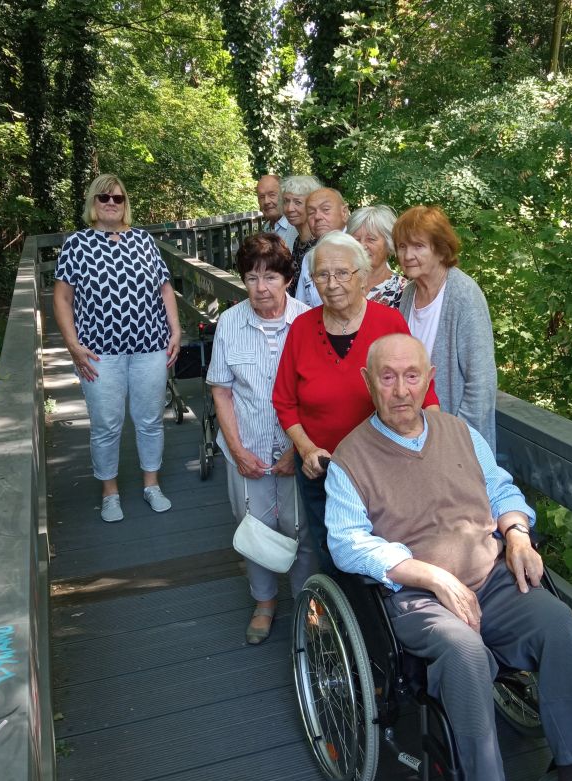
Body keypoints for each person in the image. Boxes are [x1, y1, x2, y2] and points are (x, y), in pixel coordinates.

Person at [325, 333, 572, 781]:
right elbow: (347, 542)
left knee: (557, 622)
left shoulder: (459, 432)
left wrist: (517, 533)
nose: (400, 389)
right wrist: (430, 575)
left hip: (492, 579)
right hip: (419, 597)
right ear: (367, 382)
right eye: (387, 377)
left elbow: (502, 492)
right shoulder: (351, 457)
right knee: (465, 653)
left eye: (411, 376)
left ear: (428, 379)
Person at [273, 233, 439, 573]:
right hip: (322, 469)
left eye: (342, 273)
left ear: (362, 276)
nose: (332, 283)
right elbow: (284, 401)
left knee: (387, 553)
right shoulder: (302, 328)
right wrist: (306, 449)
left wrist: (437, 449)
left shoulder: (388, 323)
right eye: (322, 275)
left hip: (383, 469)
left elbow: (424, 392)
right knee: (331, 555)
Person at [206, 233, 315, 644]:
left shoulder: (309, 321)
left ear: (287, 279)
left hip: (297, 447)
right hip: (245, 446)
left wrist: (296, 448)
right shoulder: (230, 323)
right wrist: (236, 450)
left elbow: (316, 393)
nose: (261, 287)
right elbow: (221, 391)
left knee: (300, 528)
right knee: (254, 527)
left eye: (270, 277)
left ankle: (307, 601)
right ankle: (265, 602)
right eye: (252, 278)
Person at [53, 173, 181, 523]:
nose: (111, 203)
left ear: (125, 204)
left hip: (149, 346)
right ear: (93, 203)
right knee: (106, 424)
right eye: (104, 197)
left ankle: (151, 484)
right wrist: (72, 345)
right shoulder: (76, 244)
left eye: (118, 198)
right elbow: (62, 298)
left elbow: (164, 288)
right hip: (98, 352)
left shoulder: (143, 240)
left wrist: (175, 330)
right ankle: (109, 492)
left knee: (150, 420)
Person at [395, 205, 497, 453]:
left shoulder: (464, 295)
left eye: (418, 246)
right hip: (415, 437)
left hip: (458, 444)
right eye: (402, 246)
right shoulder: (409, 293)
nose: (407, 255)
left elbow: (481, 383)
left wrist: (456, 439)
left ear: (441, 250)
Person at [294, 188, 349, 308]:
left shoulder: (361, 250)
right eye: (311, 212)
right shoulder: (309, 257)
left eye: (325, 209)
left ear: (344, 213)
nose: (317, 216)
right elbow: (301, 306)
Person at [347, 205, 405, 309]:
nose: (362, 246)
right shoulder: (340, 281)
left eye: (371, 239)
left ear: (389, 242)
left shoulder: (403, 290)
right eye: (356, 239)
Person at [281, 175, 322, 297]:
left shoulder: (320, 245)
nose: (289, 208)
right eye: (286, 201)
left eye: (297, 202)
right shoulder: (298, 241)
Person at [256, 174, 298, 250]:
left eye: (272, 195)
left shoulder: (296, 228)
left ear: (283, 196)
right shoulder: (266, 229)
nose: (266, 201)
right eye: (262, 197)